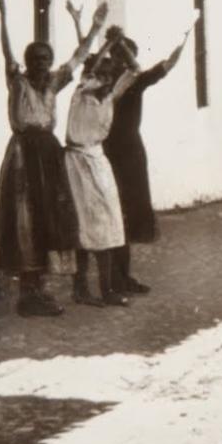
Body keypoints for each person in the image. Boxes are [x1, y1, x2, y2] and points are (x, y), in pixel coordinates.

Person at [0, 0, 106, 317]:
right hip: (23, 154)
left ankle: (37, 290)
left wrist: (92, 26)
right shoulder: (18, 82)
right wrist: (2, 16)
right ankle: (27, 292)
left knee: (47, 217)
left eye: (46, 58)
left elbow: (78, 56)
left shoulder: (53, 84)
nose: (42, 63)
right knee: (24, 216)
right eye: (37, 58)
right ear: (29, 61)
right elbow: (6, 52)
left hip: (47, 152)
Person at [101, 13, 194, 293]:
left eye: (126, 55)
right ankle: (112, 279)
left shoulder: (136, 81)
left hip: (129, 153)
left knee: (127, 214)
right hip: (103, 151)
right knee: (108, 215)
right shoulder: (102, 82)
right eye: (119, 55)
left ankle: (122, 277)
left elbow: (168, 63)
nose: (124, 61)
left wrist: (184, 38)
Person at [65, 39, 140, 307]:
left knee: (108, 223)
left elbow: (135, 69)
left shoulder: (110, 96)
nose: (105, 80)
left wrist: (119, 43)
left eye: (109, 76)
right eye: (100, 75)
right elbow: (91, 69)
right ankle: (80, 289)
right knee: (83, 226)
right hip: (76, 162)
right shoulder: (82, 92)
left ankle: (107, 289)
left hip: (98, 160)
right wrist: (107, 43)